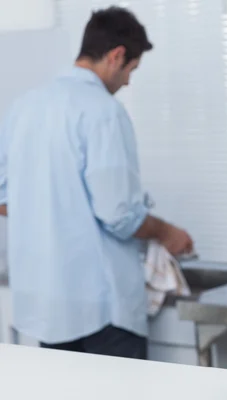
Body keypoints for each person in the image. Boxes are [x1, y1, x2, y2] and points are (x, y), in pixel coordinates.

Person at [0, 6, 193, 359]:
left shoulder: (24, 107)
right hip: (100, 311)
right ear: (116, 55)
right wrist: (167, 232)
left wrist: (50, 212)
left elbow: (3, 199)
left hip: (47, 306)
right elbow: (119, 214)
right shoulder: (103, 111)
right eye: (131, 70)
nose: (128, 81)